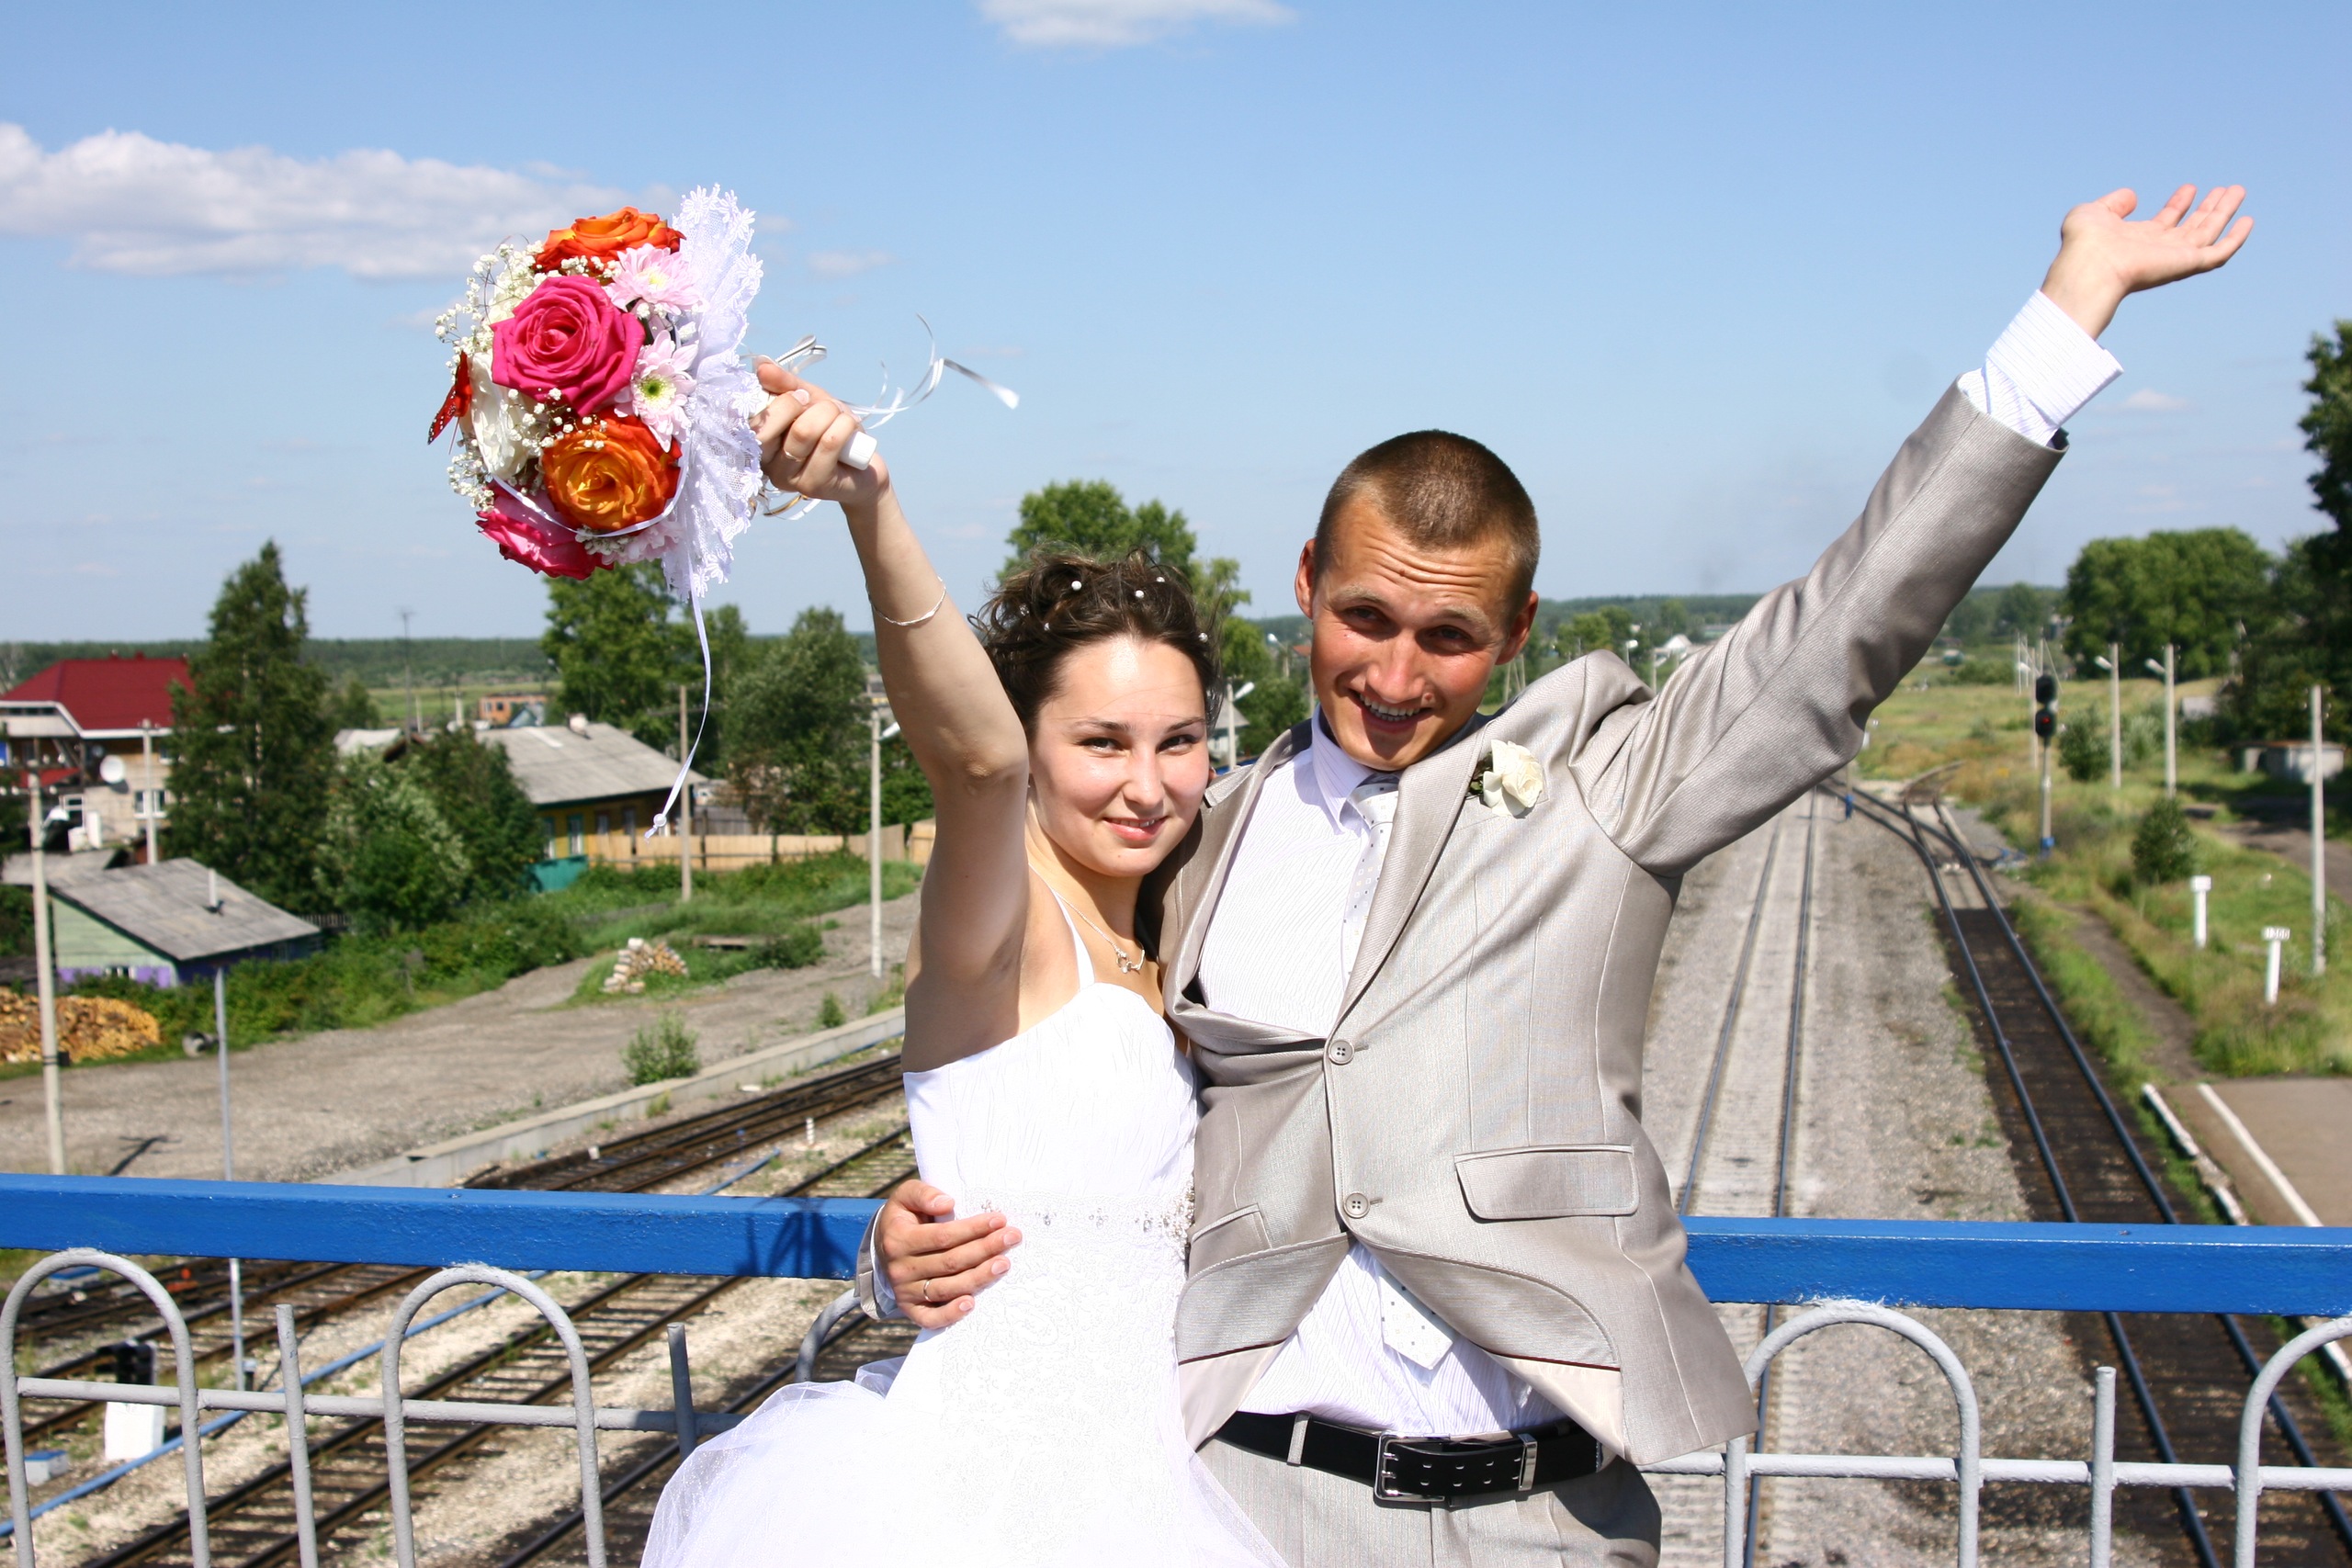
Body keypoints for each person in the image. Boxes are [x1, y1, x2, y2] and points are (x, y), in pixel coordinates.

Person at [865, 184, 2252, 1565]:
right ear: (1305, 582)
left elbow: (1840, 629)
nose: (1395, 676)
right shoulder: (1195, 838)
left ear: (1520, 628)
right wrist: (899, 1247)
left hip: (1548, 1517)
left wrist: (2068, 311)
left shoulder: (1604, 792)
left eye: (1449, 636)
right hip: (1253, 1502)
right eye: (1363, 617)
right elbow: (1038, 1076)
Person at [639, 367, 1284, 1566]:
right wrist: (869, 500)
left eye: (1182, 741)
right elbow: (976, 768)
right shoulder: (1008, 928)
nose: (1149, 785)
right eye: (1101, 742)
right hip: (989, 1494)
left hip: (1158, 1472)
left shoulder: (1179, 929)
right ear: (1032, 738)